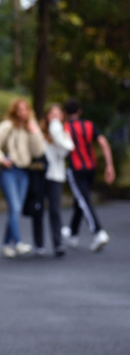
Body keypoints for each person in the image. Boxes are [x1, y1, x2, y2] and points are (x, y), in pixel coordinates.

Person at [0, 98, 46, 258]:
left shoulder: (31, 127)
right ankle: (18, 242)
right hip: (9, 171)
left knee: (15, 209)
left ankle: (6, 244)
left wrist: (34, 133)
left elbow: (38, 152)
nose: (23, 113)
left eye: (25, 109)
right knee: (15, 206)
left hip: (24, 172)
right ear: (14, 111)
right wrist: (1, 159)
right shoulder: (8, 126)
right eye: (19, 109)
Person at [61, 99, 115, 252]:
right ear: (79, 111)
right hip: (91, 168)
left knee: (83, 199)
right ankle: (72, 233)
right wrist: (109, 165)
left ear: (65, 113)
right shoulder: (89, 125)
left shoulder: (64, 128)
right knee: (81, 199)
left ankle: (98, 232)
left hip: (76, 169)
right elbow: (104, 143)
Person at [30, 104, 74, 257]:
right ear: (47, 116)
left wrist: (56, 134)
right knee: (38, 209)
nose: (54, 117)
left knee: (55, 210)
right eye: (52, 114)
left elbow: (66, 150)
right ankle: (39, 244)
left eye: (58, 114)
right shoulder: (39, 132)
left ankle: (58, 244)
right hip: (41, 175)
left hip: (56, 176)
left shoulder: (62, 134)